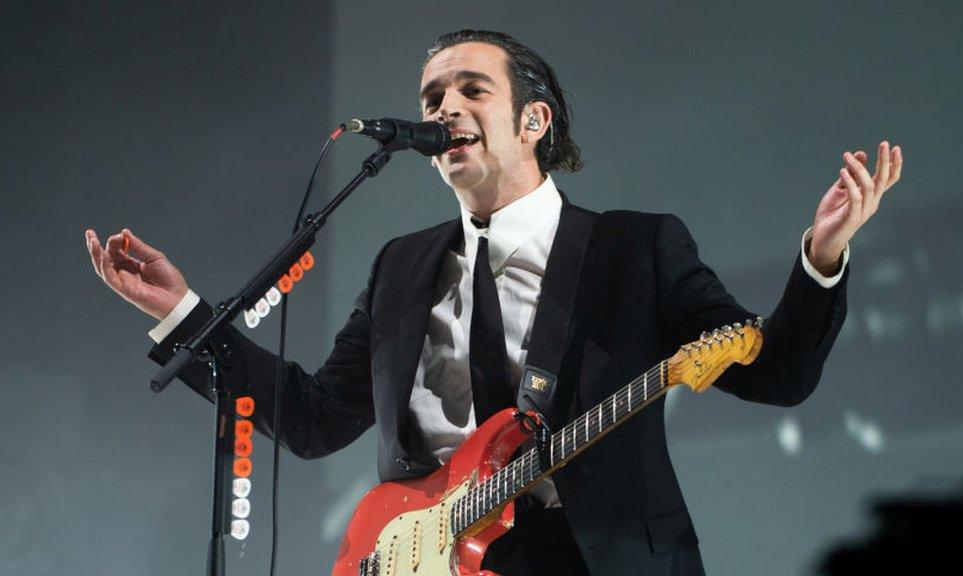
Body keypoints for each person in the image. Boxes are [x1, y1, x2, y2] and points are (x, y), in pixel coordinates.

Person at [86, 29, 903, 576]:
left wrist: (821, 257)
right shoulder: (401, 267)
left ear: (533, 119)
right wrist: (185, 313)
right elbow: (311, 420)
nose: (442, 107)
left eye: (470, 88)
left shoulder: (636, 249)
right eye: (432, 92)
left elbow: (779, 374)